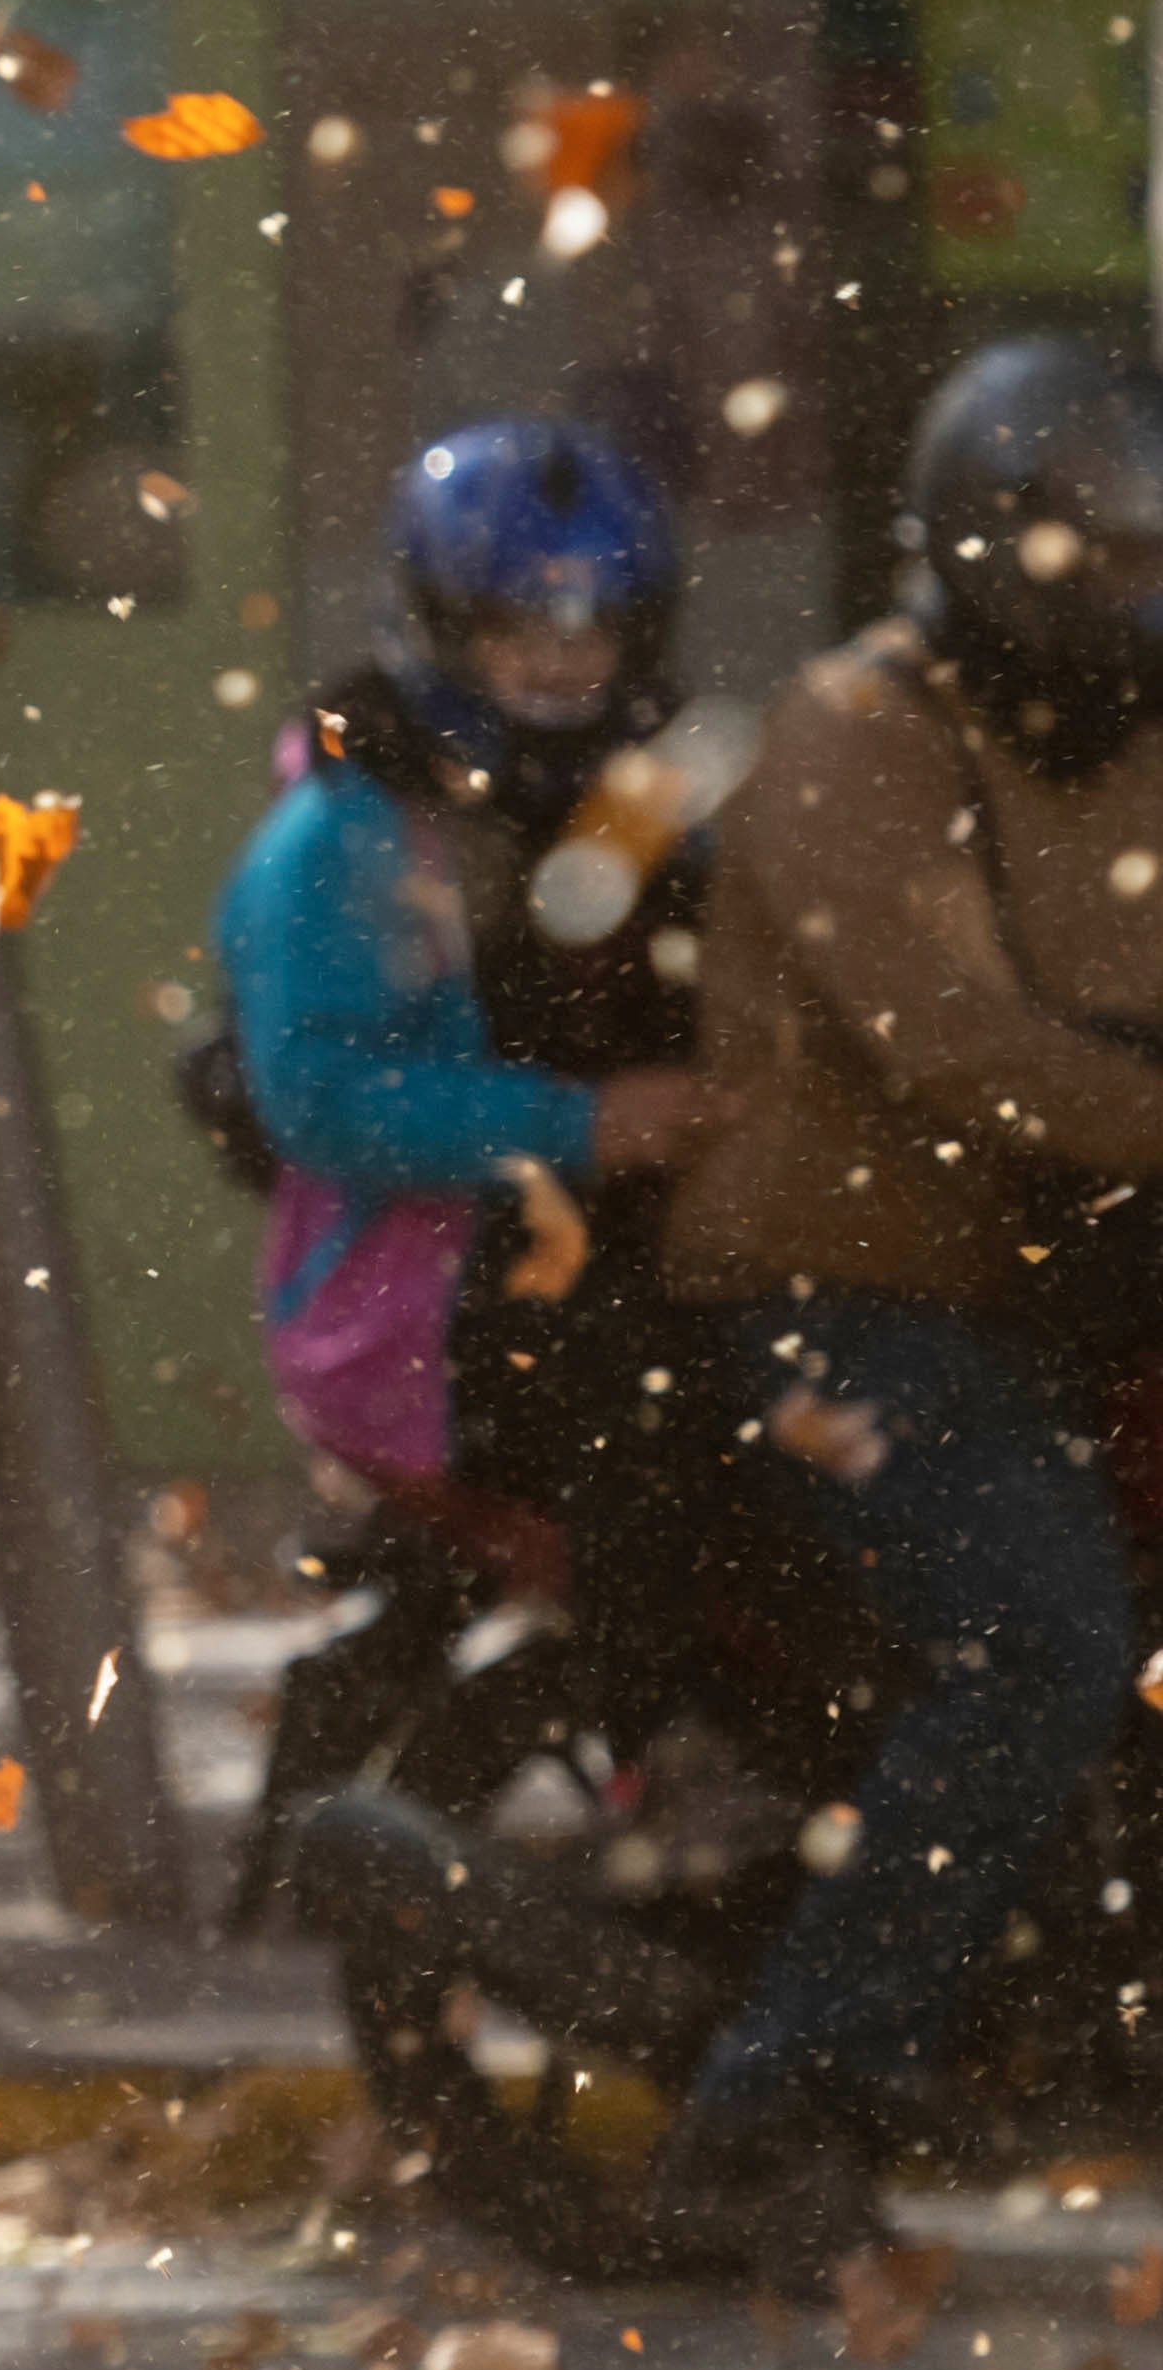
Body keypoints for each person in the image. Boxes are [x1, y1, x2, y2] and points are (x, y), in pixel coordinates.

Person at [646, 334, 1163, 2274]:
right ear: (992, 552)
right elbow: (963, 1045)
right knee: (1043, 1642)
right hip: (831, 1303)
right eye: (1100, 558)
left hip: (1042, 1281)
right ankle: (764, 2106)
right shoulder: (850, 728)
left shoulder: (1125, 730)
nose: (1132, 594)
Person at [209, 424, 738, 1791]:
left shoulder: (640, 797)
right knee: (665, 1408)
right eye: (522, 621)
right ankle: (669, 1761)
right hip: (416, 1300)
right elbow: (320, 1094)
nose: (565, 654)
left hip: (594, 1245)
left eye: (598, 620)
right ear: (443, 621)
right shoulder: (349, 827)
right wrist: (587, 1123)